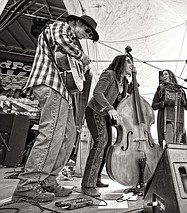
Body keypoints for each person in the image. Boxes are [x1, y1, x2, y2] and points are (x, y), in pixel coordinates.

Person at [12, 15, 99, 202]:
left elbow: (74, 74)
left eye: (89, 34)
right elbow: (62, 40)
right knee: (51, 135)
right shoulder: (61, 27)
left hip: (63, 91)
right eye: (87, 31)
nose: (87, 36)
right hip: (51, 84)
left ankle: (49, 180)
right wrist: (81, 56)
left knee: (69, 136)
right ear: (76, 23)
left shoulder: (73, 42)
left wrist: (80, 69)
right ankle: (27, 186)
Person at [81, 54, 133, 197]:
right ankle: (87, 184)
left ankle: (96, 178)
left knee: (107, 144)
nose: (131, 64)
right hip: (95, 110)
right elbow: (97, 92)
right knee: (100, 143)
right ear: (120, 63)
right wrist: (109, 108)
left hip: (105, 116)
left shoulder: (125, 83)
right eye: (129, 62)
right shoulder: (109, 75)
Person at [152, 70, 187, 148]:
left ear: (171, 76)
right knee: (170, 145)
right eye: (163, 75)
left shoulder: (180, 90)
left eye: (166, 74)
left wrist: (184, 103)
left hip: (179, 121)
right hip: (167, 121)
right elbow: (153, 106)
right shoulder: (160, 90)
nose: (164, 76)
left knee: (178, 146)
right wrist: (163, 103)